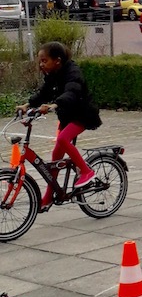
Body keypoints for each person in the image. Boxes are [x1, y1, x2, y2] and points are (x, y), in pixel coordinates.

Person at [16, 41, 101, 210]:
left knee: (62, 139)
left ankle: (86, 171)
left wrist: (55, 105)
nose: (41, 64)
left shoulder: (72, 72)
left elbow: (72, 91)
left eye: (44, 60)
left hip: (82, 115)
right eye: (40, 61)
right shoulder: (53, 74)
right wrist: (27, 105)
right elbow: (43, 93)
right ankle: (49, 197)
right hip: (67, 116)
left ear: (57, 60)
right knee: (55, 157)